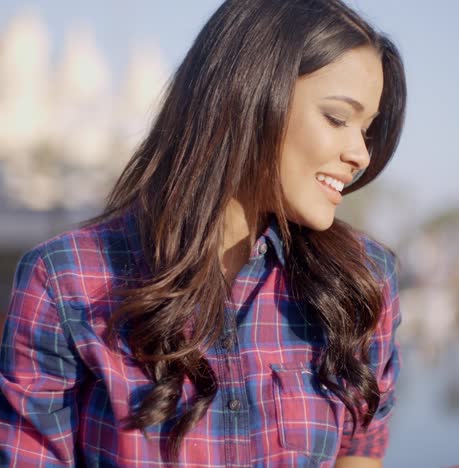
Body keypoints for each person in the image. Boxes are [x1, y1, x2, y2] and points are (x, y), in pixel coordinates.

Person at [0, 0, 406, 466]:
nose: (361, 154)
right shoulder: (65, 279)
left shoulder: (363, 280)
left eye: (367, 129)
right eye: (337, 118)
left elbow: (360, 447)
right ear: (248, 93)